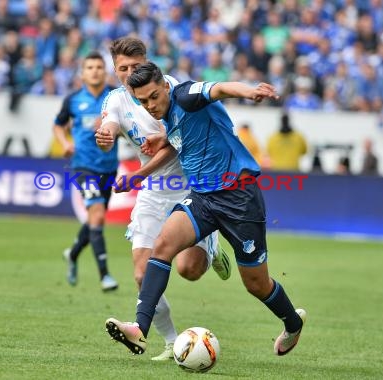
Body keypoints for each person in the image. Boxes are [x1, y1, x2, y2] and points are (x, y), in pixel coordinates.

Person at [104, 62, 306, 357]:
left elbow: (220, 88)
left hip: (239, 197)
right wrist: (162, 140)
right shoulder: (166, 115)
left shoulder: (186, 95)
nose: (149, 106)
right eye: (142, 101)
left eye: (152, 97)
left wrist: (249, 92)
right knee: (162, 245)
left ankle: (292, 322)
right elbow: (183, 138)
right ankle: (140, 328)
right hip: (202, 198)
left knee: (256, 284)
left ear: (164, 86)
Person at [95, 37, 232, 361]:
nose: (129, 74)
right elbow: (109, 128)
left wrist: (138, 175)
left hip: (190, 186)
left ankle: (211, 247)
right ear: (115, 71)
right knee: (142, 274)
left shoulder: (168, 88)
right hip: (154, 193)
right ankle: (171, 342)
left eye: (135, 66)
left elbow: (176, 142)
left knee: (189, 269)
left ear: (147, 63)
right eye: (122, 69)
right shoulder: (115, 100)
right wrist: (105, 137)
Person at [53, 51, 119, 292]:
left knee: (95, 218)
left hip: (109, 167)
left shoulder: (114, 98)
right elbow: (58, 125)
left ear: (105, 71)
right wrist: (65, 143)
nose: (95, 71)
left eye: (99, 67)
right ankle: (105, 276)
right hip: (82, 166)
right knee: (98, 214)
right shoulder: (73, 100)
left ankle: (72, 253)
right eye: (89, 67)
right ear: (82, 73)